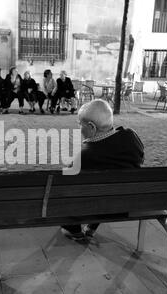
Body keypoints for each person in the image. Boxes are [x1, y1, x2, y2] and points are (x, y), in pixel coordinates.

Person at [61, 99, 145, 241]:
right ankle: (92, 226)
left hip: (97, 207)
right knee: (107, 189)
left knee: (71, 192)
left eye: (79, 124)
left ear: (92, 127)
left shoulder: (85, 155)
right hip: (126, 205)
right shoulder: (131, 137)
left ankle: (73, 229)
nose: (78, 128)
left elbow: (65, 181)